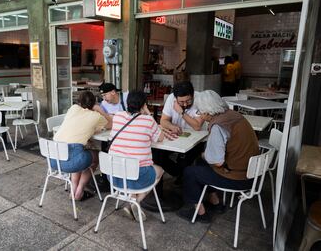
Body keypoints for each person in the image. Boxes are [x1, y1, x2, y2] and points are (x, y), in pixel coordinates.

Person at [177, 90, 259, 223]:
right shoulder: (234, 115)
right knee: (201, 163)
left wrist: (205, 155)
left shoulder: (218, 126)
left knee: (190, 172)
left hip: (237, 178)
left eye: (200, 112)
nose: (201, 116)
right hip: (252, 173)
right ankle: (215, 203)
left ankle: (201, 214)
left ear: (207, 111)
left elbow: (217, 162)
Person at [109, 90, 165, 221]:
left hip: (114, 175)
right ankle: (134, 202)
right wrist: (148, 114)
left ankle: (132, 198)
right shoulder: (148, 120)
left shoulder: (118, 116)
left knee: (131, 164)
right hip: (138, 174)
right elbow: (160, 138)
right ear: (144, 105)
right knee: (160, 170)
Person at [53, 91, 111, 201]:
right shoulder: (95, 116)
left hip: (54, 159)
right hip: (70, 162)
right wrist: (101, 111)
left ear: (79, 101)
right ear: (94, 103)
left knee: (78, 154)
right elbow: (111, 124)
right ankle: (79, 191)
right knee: (94, 158)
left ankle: (73, 190)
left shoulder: (73, 108)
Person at [154, 81, 205, 180]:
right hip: (177, 138)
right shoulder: (170, 98)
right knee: (157, 154)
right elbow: (163, 121)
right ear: (175, 97)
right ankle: (176, 174)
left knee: (185, 161)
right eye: (181, 102)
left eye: (188, 101)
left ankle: (182, 176)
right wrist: (172, 126)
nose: (185, 104)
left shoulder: (200, 99)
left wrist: (181, 112)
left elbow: (197, 126)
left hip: (197, 139)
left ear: (193, 95)